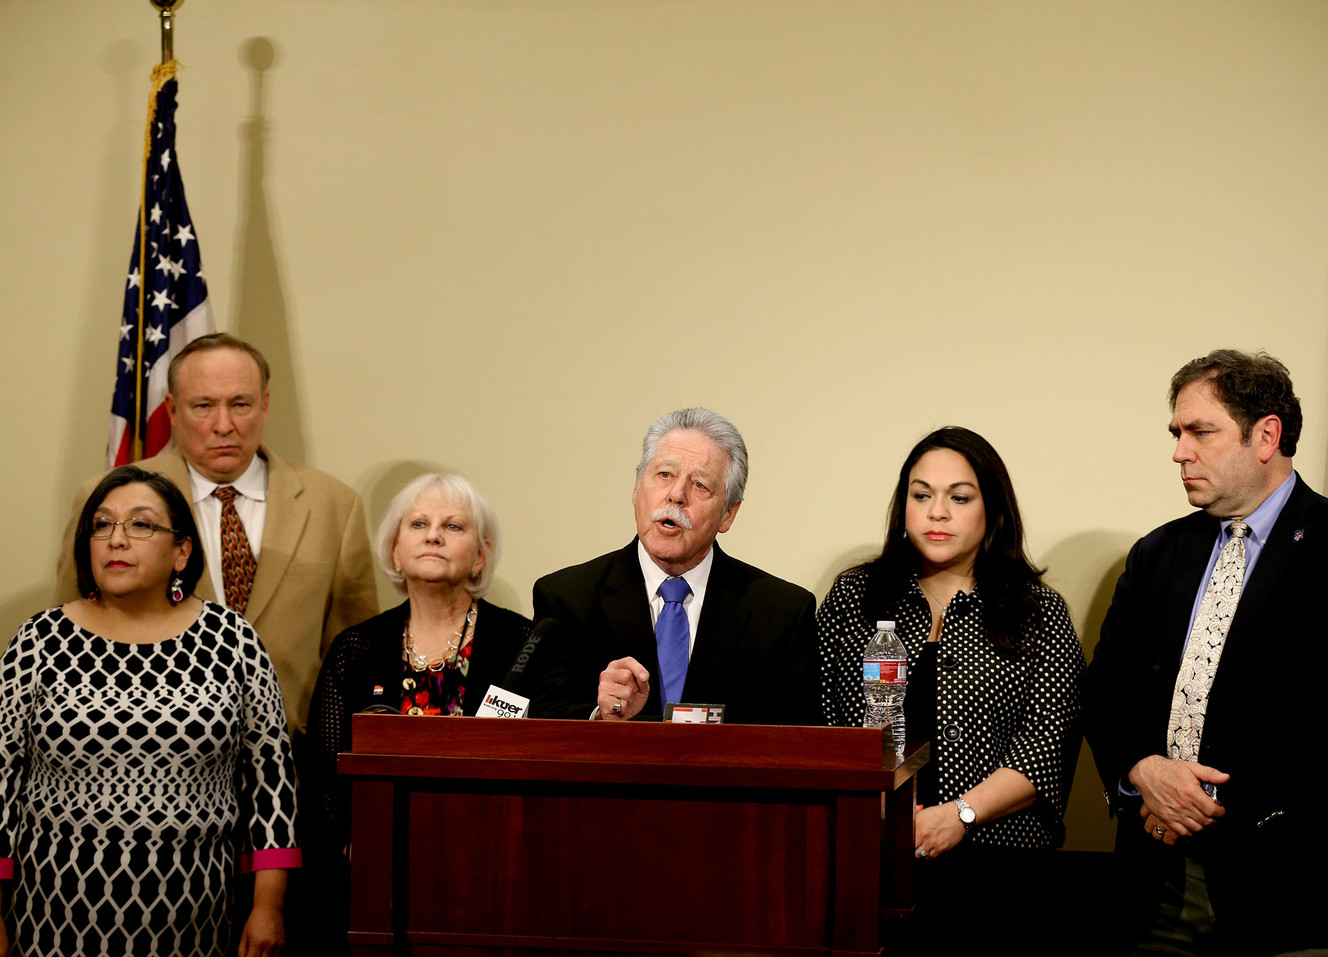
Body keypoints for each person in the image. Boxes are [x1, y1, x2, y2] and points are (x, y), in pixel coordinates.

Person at [0, 465, 300, 957]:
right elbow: (1, 778)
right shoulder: (41, 640)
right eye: (102, 525)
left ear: (182, 550)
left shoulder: (232, 641)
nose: (117, 540)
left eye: (140, 525)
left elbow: (270, 781)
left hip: (196, 916)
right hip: (53, 917)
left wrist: (269, 905)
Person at [1084, 350, 1327, 956]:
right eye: (1176, 433)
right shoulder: (1156, 555)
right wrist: (1143, 770)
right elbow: (1104, 693)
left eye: (1201, 431)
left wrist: (1216, 804)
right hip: (1156, 882)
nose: (1179, 451)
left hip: (1291, 892)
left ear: (1266, 435)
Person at [817, 427, 1083, 950]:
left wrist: (960, 814)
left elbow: (1047, 746)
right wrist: (888, 818)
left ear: (992, 509)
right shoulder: (856, 598)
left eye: (959, 498)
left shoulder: (1037, 612)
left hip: (1000, 869)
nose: (937, 513)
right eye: (922, 496)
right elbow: (828, 722)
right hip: (868, 858)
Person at [54, 333, 379, 743]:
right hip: (151, 762)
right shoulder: (106, 500)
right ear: (172, 409)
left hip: (295, 766)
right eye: (204, 406)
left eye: (240, 404)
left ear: (264, 403)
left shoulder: (334, 505)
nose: (224, 425)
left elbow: (358, 657)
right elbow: (69, 641)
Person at [302, 474, 533, 952]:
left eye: (453, 526)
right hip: (372, 873)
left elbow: (536, 757)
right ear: (393, 550)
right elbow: (324, 766)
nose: (433, 535)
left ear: (481, 555)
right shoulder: (356, 647)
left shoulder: (522, 644)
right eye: (419, 523)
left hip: (492, 868)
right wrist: (353, 845)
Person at [530, 407, 817, 725]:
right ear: (637, 487)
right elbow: (539, 719)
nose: (676, 495)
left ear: (728, 514)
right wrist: (602, 718)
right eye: (664, 475)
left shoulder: (781, 613)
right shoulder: (568, 598)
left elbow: (798, 741)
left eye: (700, 486)